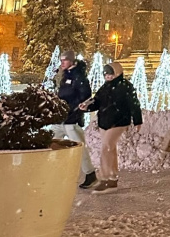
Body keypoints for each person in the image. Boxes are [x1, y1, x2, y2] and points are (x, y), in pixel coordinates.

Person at [79, 62, 142, 194]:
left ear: (117, 73)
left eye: (110, 73)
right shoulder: (105, 87)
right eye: (105, 73)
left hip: (119, 122)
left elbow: (134, 103)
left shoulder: (125, 86)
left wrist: (137, 120)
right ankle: (112, 179)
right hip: (104, 123)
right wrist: (87, 107)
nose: (107, 76)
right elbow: (97, 102)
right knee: (110, 149)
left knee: (106, 147)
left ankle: (104, 178)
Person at [51, 50, 97, 188]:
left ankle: (90, 173)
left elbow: (85, 96)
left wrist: (74, 110)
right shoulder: (65, 76)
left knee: (79, 147)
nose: (62, 63)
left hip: (71, 119)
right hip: (61, 118)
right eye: (61, 60)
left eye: (65, 60)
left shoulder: (79, 77)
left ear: (72, 61)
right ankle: (48, 169)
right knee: (50, 142)